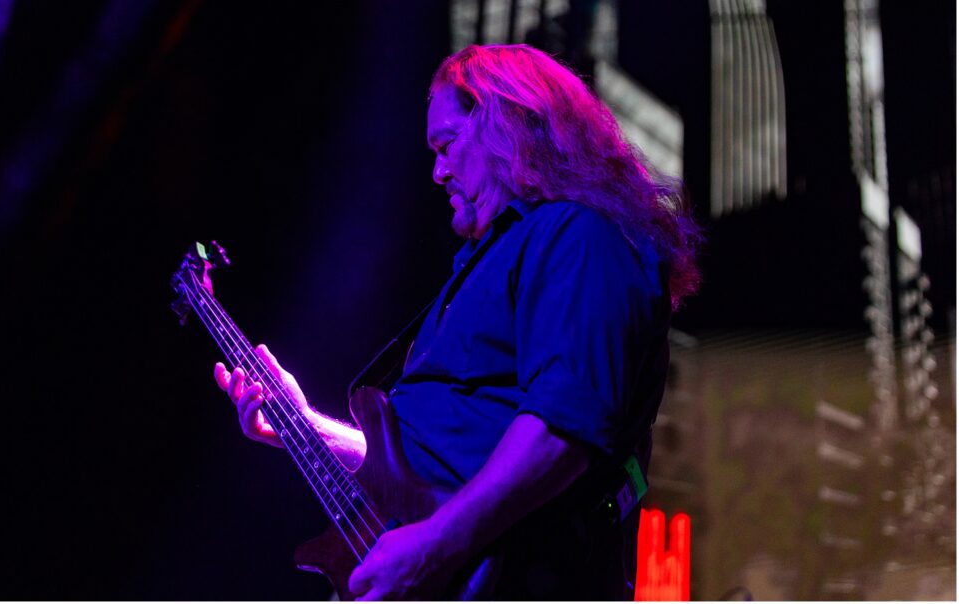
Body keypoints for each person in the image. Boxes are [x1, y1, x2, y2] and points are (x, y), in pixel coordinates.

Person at [213, 44, 701, 600]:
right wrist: (307, 427)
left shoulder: (579, 234)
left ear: (507, 125)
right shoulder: (482, 265)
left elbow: (563, 430)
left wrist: (435, 547)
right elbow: (426, 469)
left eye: (446, 145)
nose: (438, 171)